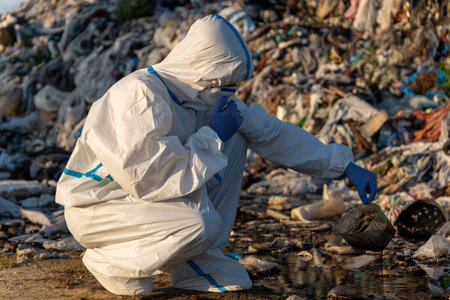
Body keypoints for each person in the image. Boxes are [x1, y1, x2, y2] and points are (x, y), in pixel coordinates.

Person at [55, 14, 377, 296]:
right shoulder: (139, 95)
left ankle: (197, 260)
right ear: (204, 71)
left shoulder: (202, 96)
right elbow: (150, 179)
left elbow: (273, 134)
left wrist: (344, 166)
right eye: (227, 83)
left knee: (237, 135)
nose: (231, 93)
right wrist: (212, 136)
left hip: (144, 207)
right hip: (100, 209)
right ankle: (111, 260)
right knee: (201, 223)